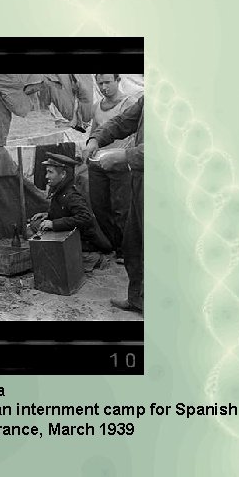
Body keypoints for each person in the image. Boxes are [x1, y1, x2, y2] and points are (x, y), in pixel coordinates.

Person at [85, 95, 144, 314]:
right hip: (140, 182)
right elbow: (121, 122)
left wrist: (126, 156)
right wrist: (96, 139)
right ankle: (138, 299)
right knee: (133, 246)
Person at [88, 74, 139, 260]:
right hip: (97, 163)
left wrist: (125, 156)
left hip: (120, 163)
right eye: (100, 83)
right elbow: (96, 131)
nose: (103, 87)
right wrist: (90, 143)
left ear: (118, 81)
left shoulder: (130, 103)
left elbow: (128, 131)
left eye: (107, 82)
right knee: (100, 206)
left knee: (122, 208)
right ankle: (115, 244)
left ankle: (126, 251)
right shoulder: (96, 107)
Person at [29, 153, 112, 254]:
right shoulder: (60, 190)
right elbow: (66, 211)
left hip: (86, 242)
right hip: (74, 236)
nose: (47, 176)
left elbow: (85, 218)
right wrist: (47, 215)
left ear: (63, 174)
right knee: (35, 224)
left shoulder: (72, 195)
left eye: (50, 172)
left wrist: (53, 224)